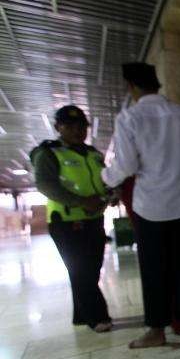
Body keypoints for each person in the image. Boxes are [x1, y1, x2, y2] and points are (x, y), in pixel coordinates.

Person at [101, 63, 180, 348]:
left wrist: (106, 176)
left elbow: (125, 165)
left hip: (150, 208)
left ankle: (156, 331)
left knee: (154, 269)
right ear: (157, 85)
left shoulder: (129, 117)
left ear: (132, 87)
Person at [31, 105, 112, 332]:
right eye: (70, 126)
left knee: (93, 269)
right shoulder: (48, 153)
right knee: (80, 270)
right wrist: (81, 201)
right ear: (58, 127)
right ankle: (98, 317)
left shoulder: (94, 154)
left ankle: (81, 315)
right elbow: (45, 185)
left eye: (82, 126)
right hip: (65, 222)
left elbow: (104, 181)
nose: (78, 130)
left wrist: (109, 196)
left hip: (94, 219)